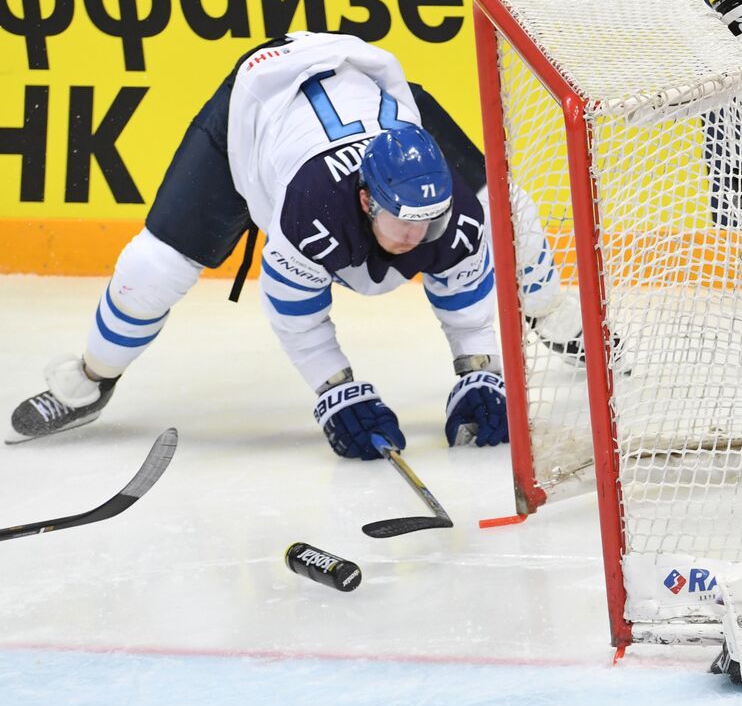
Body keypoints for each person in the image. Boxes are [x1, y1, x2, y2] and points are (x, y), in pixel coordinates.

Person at [7, 31, 582, 459]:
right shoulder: (313, 212)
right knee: (152, 269)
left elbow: (461, 275)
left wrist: (479, 369)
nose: (417, 240)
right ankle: (91, 376)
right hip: (256, 111)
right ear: (364, 202)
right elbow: (296, 315)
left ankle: (555, 315)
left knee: (513, 212)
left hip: (366, 94)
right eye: (404, 224)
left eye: (429, 224)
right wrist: (338, 391)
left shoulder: (450, 212)